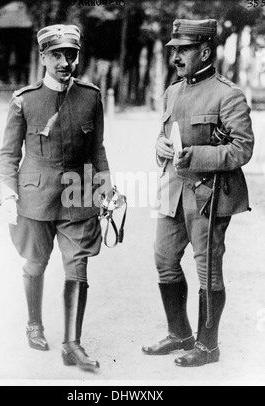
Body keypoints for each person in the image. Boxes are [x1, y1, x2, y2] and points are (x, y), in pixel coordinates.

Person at [0, 24, 112, 373]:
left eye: (71, 55)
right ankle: (34, 324)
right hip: (35, 197)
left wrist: (106, 189)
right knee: (35, 263)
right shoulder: (24, 100)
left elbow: (97, 150)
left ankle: (72, 344)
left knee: (77, 267)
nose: (65, 62)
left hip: (77, 194)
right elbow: (8, 154)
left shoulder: (91, 97)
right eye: (58, 55)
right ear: (44, 56)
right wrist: (7, 191)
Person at [142, 19, 254, 367]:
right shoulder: (173, 91)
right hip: (172, 190)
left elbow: (243, 148)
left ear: (204, 51)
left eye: (184, 49)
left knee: (208, 271)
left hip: (209, 194)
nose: (176, 56)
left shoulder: (228, 94)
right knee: (164, 258)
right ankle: (180, 334)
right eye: (174, 49)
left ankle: (208, 346)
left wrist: (200, 156)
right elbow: (166, 137)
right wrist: (160, 147)